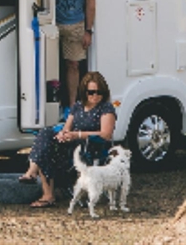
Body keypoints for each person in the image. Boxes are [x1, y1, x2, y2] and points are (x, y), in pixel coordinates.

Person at [19, 71, 116, 208]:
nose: (95, 95)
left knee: (47, 143)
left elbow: (106, 134)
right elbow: (67, 127)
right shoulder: (77, 106)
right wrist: (63, 135)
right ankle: (44, 189)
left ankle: (33, 174)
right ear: (84, 92)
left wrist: (78, 134)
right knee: (46, 135)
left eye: (99, 92)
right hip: (72, 145)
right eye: (91, 92)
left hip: (92, 147)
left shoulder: (106, 108)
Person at [54, 0, 97, 107]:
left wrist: (88, 30)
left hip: (75, 23)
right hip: (52, 21)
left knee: (73, 65)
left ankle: (72, 106)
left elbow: (90, 1)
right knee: (49, 63)